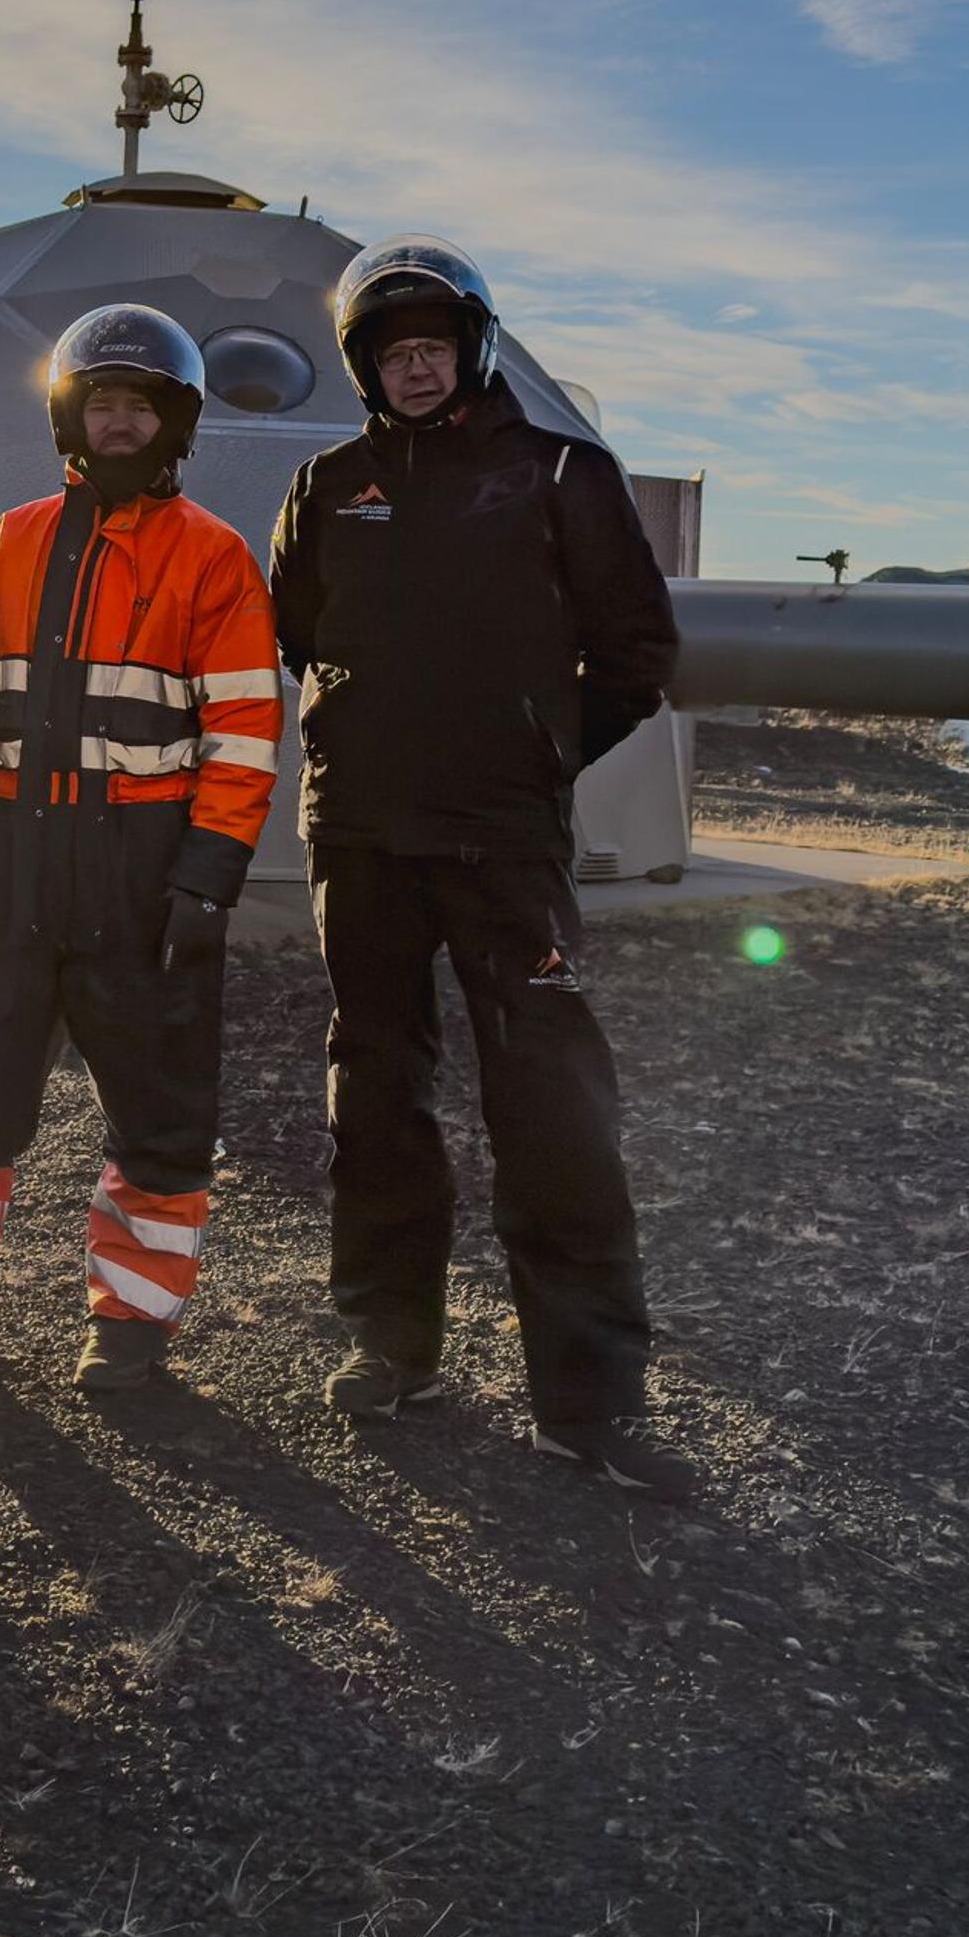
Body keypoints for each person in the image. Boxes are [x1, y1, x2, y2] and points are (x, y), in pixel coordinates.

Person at [266, 237, 689, 1495]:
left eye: (433, 347)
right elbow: (298, 632)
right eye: (392, 353)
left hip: (503, 841)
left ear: (473, 348)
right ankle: (392, 1348)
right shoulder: (329, 483)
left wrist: (535, 753)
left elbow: (633, 651)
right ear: (363, 367)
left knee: (552, 1106)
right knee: (377, 1095)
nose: (414, 368)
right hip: (362, 839)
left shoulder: (563, 472)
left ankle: (590, 1403)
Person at [0, 304, 283, 1395]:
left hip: (144, 868)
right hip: (11, 859)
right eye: (103, 404)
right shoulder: (14, 540)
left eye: (141, 406)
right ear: (72, 419)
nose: (120, 423)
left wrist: (207, 876)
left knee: (161, 1113)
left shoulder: (214, 559)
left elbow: (245, 730)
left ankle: (131, 1333)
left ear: (176, 425)